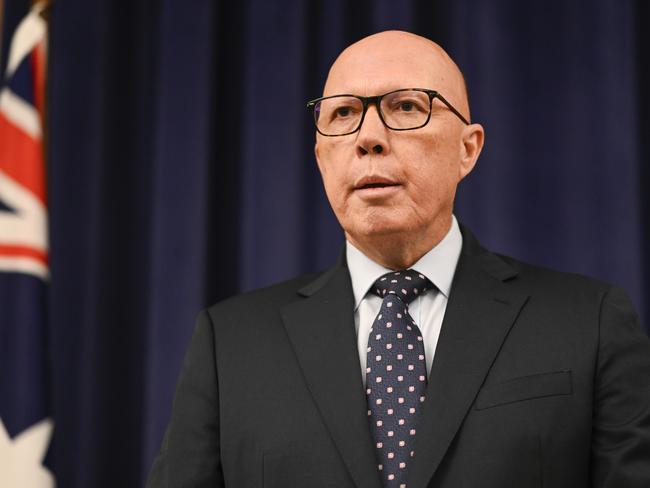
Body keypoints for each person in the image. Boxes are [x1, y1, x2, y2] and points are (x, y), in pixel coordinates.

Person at [147, 31, 650, 488]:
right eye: (342, 113)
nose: (368, 137)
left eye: (406, 106)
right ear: (322, 155)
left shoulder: (589, 322)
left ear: (467, 150)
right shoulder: (229, 342)